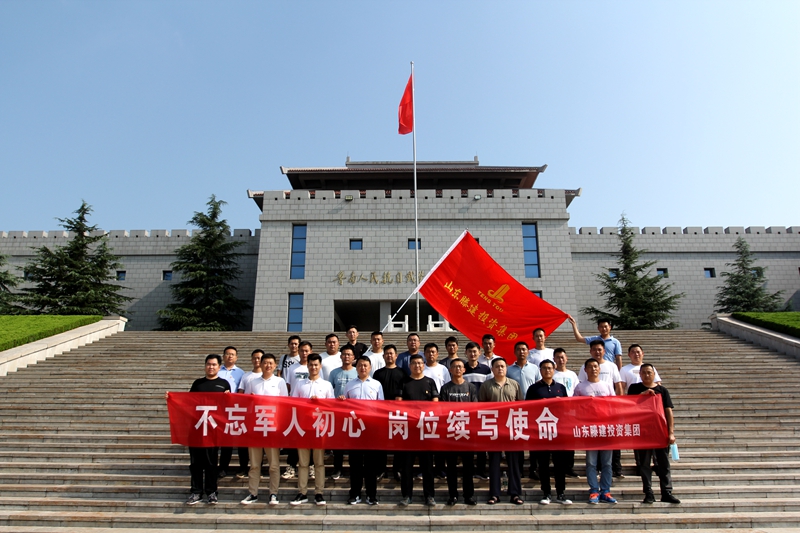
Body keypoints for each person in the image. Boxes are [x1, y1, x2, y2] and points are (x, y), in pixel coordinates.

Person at [167, 354, 230, 505]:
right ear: (205, 366)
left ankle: (211, 492)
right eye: (208, 364)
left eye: (214, 365)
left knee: (211, 463)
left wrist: (229, 397)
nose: (211, 367)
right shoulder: (198, 383)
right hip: (197, 429)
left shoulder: (223, 384)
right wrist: (172, 398)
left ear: (219, 367)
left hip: (213, 429)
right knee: (195, 463)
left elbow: (227, 407)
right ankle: (196, 492)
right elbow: (187, 402)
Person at [629, 363, 680, 504]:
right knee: (644, 464)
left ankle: (666, 492)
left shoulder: (662, 390)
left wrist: (671, 432)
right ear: (640, 374)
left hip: (660, 432)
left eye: (649, 372)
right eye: (644, 372)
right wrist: (642, 395)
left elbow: (668, 411)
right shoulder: (634, 388)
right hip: (643, 432)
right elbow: (628, 405)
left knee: (663, 464)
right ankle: (648, 492)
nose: (646, 375)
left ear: (654, 374)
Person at [240, 353, 287, 506]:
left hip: (272, 428)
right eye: (265, 363)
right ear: (260, 365)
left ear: (275, 366)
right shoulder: (252, 382)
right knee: (254, 464)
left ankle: (273, 493)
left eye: (271, 363)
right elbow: (246, 404)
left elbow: (284, 404)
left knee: (273, 464)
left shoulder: (280, 382)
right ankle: (253, 493)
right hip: (256, 427)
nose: (268, 365)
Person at [290, 353, 335, 506]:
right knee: (303, 463)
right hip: (303, 427)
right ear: (307, 365)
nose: (313, 367)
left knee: (319, 463)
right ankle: (302, 492)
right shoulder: (299, 384)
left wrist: (320, 403)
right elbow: (293, 404)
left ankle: (319, 492)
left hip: (319, 428)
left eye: (316, 365)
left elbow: (331, 406)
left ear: (320, 366)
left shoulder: (326, 385)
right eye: (311, 364)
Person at [479, 358, 524, 506]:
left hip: (512, 427)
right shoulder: (486, 385)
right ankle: (494, 493)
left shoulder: (514, 384)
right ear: (492, 369)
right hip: (493, 428)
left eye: (503, 366)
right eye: (497, 366)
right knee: (494, 462)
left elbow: (521, 405)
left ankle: (515, 493)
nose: (500, 369)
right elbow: (480, 407)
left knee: (514, 463)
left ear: (506, 368)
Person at [526, 359, 572, 505]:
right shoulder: (534, 389)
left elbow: (567, 408)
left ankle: (561, 493)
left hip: (558, 432)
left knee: (559, 465)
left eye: (550, 368)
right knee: (543, 464)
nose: (547, 370)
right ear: (540, 371)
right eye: (544, 368)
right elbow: (528, 408)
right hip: (541, 431)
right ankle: (546, 493)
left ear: (554, 370)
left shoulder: (560, 388)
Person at [396, 354, 439, 507]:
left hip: (426, 430)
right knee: (407, 466)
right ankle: (407, 495)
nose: (417, 366)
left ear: (423, 365)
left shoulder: (430, 382)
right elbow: (398, 403)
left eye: (420, 363)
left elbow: (435, 403)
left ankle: (429, 496)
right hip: (409, 431)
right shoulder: (404, 382)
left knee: (427, 466)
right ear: (410, 366)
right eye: (414, 363)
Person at [578, 340, 625, 477]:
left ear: (604, 351)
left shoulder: (611, 366)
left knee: (612, 443)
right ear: (590, 351)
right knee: (594, 444)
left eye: (599, 349)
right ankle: (596, 471)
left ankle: (616, 468)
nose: (597, 352)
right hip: (591, 415)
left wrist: (620, 404)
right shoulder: (584, 367)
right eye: (594, 349)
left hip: (607, 412)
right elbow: (580, 387)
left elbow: (618, 384)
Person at [573, 358, 618, 504]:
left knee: (607, 463)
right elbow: (574, 407)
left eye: (595, 366)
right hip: (590, 429)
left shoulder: (607, 385)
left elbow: (614, 405)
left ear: (599, 369)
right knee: (591, 462)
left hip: (606, 428)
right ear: (585, 370)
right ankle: (593, 490)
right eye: (590, 367)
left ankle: (606, 491)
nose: (593, 369)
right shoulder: (580, 387)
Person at [343, 355, 384, 505]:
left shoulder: (377, 385)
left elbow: (381, 406)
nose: (362, 368)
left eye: (365, 365)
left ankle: (371, 495)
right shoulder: (349, 385)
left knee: (371, 465)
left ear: (370, 367)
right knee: (355, 464)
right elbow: (344, 406)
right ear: (356, 367)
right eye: (360, 365)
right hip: (354, 430)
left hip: (371, 430)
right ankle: (355, 493)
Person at [439, 357, 478, 506]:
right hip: (450, 432)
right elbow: (442, 409)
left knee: (468, 467)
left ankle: (469, 495)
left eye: (460, 367)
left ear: (464, 370)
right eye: (454, 366)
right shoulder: (445, 388)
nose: (457, 369)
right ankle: (453, 495)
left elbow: (474, 408)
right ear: (450, 370)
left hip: (467, 432)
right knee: (451, 467)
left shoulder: (471, 388)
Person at [506, 340, 541, 481]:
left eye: (524, 349)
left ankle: (534, 468)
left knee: (534, 441)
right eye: (519, 349)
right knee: (518, 440)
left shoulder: (535, 368)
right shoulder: (509, 370)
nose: (521, 352)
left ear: (528, 352)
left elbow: (538, 385)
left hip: (533, 409)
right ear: (515, 352)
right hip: (516, 410)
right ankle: (518, 470)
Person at [373, 344, 405, 482]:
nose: (389, 356)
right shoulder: (378, 373)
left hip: (398, 413)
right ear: (383, 356)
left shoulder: (402, 373)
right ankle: (381, 469)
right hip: (381, 413)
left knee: (399, 442)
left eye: (391, 353)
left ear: (396, 356)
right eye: (387, 353)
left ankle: (397, 469)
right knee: (381, 442)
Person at [282, 340, 313, 480]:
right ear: (298, 352)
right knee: (294, 438)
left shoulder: (314, 366)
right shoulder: (292, 368)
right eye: (302, 350)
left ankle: (310, 465)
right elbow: (288, 386)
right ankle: (291, 466)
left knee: (310, 438)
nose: (304, 353)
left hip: (311, 410)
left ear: (311, 352)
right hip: (296, 408)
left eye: (307, 351)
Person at [461, 341, 491, 480]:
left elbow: (489, 388)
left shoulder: (486, 369)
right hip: (465, 411)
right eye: (470, 351)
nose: (472, 354)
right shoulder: (462, 368)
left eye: (475, 351)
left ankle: (481, 470)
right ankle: (467, 471)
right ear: (465, 353)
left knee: (481, 442)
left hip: (481, 410)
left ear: (479, 353)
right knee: (466, 442)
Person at [328, 344, 358, 480]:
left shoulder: (358, 371)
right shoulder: (334, 373)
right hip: (338, 412)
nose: (346, 357)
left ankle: (354, 469)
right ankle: (337, 469)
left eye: (349, 355)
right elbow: (330, 391)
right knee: (338, 442)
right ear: (340, 356)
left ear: (353, 357)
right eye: (344, 354)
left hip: (354, 413)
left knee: (353, 442)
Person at [217, 346, 247, 480]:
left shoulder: (241, 373)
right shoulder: (217, 370)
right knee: (226, 441)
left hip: (237, 408)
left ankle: (243, 467)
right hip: (221, 409)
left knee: (241, 440)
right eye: (228, 354)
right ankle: (223, 468)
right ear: (223, 356)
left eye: (232, 354)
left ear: (236, 357)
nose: (230, 356)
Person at [552, 347, 580, 477]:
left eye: (562, 357)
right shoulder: (552, 374)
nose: (560, 360)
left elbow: (577, 391)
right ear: (554, 359)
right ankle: (557, 467)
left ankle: (569, 467)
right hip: (555, 412)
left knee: (570, 440)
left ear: (566, 358)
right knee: (557, 440)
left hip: (570, 411)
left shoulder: (572, 375)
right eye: (558, 357)